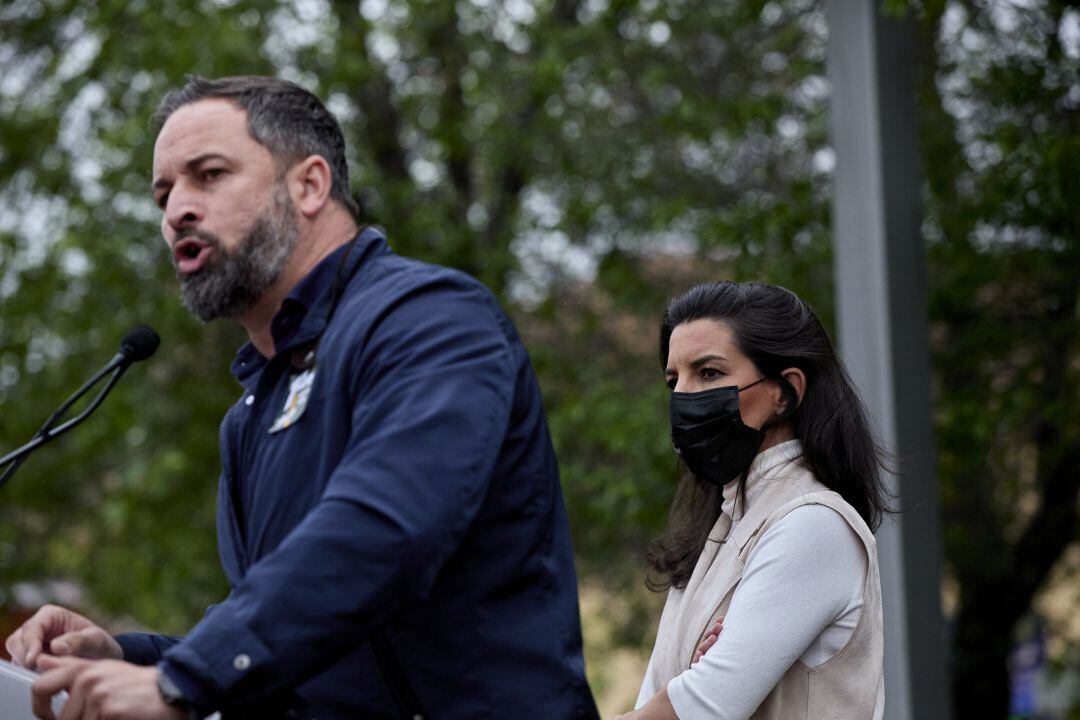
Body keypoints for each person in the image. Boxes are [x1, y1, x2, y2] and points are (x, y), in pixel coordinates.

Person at [4, 76, 599, 720]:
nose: (177, 209)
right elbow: (297, 647)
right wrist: (129, 659)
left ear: (309, 185)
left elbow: (383, 532)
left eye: (208, 175)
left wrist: (183, 683)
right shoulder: (252, 413)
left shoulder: (429, 319)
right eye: (164, 193)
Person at [620, 281, 887, 720]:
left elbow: (703, 708)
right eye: (674, 380)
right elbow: (658, 700)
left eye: (709, 373)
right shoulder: (721, 526)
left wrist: (688, 689)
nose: (683, 396)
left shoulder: (812, 524)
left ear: (785, 392)